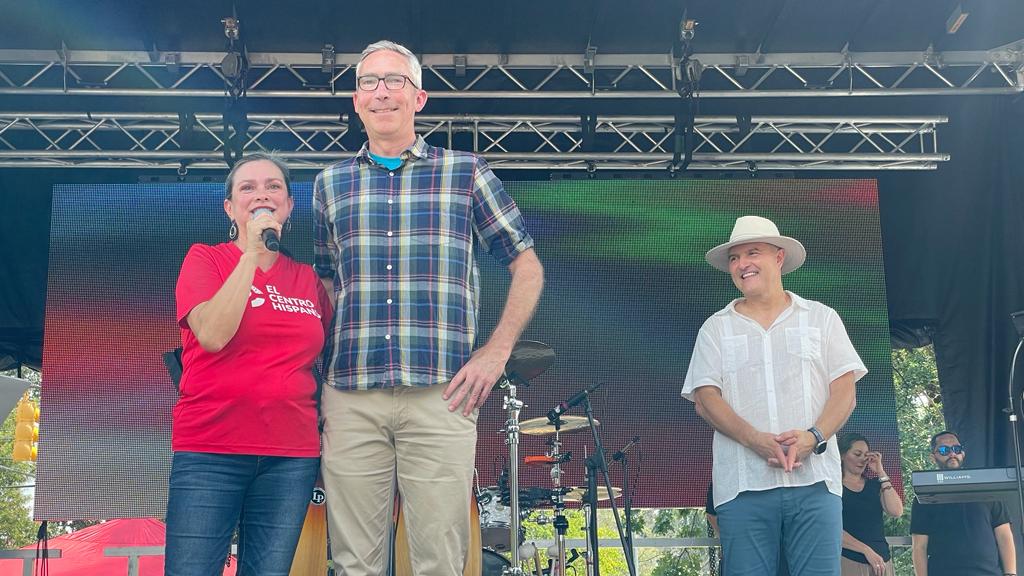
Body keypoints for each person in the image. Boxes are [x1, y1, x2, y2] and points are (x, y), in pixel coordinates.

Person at [313, 40, 544, 575]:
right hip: (350, 393)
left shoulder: (467, 172)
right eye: (369, 82)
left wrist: (497, 352)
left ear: (420, 98)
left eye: (395, 80)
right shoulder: (331, 184)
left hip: (443, 392)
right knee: (353, 563)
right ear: (355, 101)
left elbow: (526, 265)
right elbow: (324, 285)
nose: (382, 92)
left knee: (439, 561)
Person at [166, 153, 332, 575]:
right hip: (211, 449)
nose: (262, 194)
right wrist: (250, 257)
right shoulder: (206, 259)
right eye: (248, 187)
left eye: (274, 186)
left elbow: (330, 354)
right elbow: (213, 334)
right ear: (230, 208)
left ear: (290, 205)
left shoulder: (307, 280)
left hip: (290, 456)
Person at [682, 215, 867, 575]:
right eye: (734, 258)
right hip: (744, 484)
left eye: (753, 253)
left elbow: (845, 392)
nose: (742, 264)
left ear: (779, 258)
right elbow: (705, 398)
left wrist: (812, 438)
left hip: (815, 482)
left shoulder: (822, 318)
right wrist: (756, 441)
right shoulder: (716, 328)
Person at [911, 430, 1016, 576]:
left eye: (956, 449)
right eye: (944, 450)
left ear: (963, 453)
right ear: (932, 457)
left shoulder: (987, 488)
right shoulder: (924, 497)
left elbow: (1004, 534)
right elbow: (919, 547)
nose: (952, 454)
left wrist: (1011, 573)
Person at [838, 432, 903, 576]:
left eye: (866, 455)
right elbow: (832, 528)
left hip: (882, 560)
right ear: (842, 455)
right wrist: (866, 550)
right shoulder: (834, 487)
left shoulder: (874, 485)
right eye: (857, 454)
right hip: (850, 559)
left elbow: (896, 511)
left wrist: (881, 472)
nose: (862, 459)